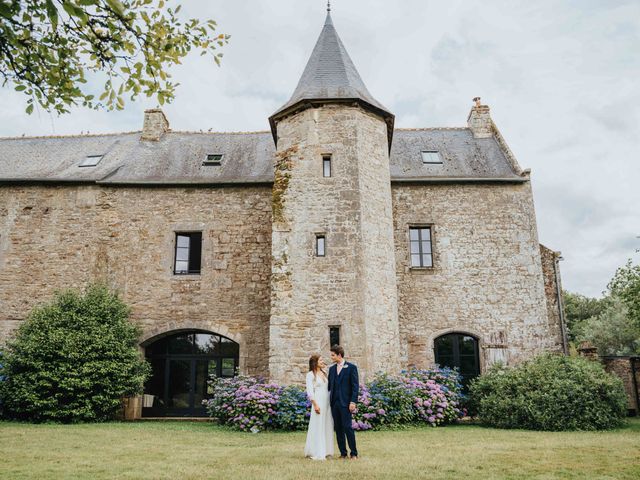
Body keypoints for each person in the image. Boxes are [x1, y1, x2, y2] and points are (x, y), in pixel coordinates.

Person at [328, 344, 359, 459]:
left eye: (333, 355)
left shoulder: (351, 368)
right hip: (334, 404)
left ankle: (354, 453)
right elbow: (329, 387)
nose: (331, 357)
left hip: (346, 403)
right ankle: (343, 453)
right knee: (339, 429)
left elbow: (355, 386)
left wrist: (353, 402)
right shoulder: (331, 369)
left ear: (339, 355)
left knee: (347, 427)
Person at [304, 354, 334, 460]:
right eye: (320, 360)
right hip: (318, 401)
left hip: (327, 402)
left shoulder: (324, 373)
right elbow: (310, 392)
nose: (323, 361)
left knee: (327, 424)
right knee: (318, 425)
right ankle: (316, 451)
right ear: (315, 362)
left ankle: (327, 450)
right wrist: (315, 404)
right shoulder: (310, 375)